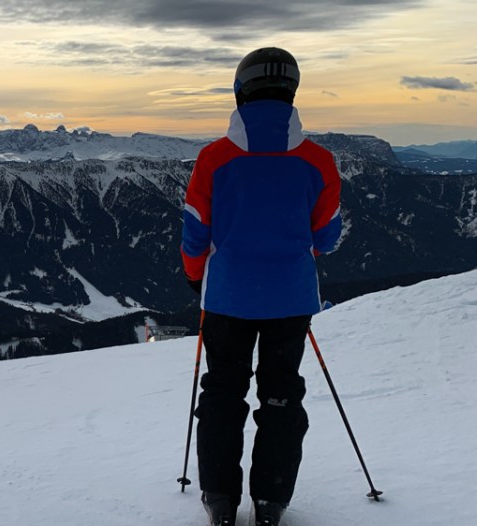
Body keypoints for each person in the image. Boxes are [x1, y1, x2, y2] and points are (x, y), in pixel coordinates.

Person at [180, 47, 343, 526]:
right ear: (292, 91)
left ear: (240, 90)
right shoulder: (319, 162)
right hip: (290, 300)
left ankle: (220, 499)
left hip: (227, 297)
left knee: (223, 393)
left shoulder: (213, 159)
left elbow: (195, 232)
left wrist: (196, 277)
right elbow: (327, 237)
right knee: (281, 395)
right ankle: (270, 502)